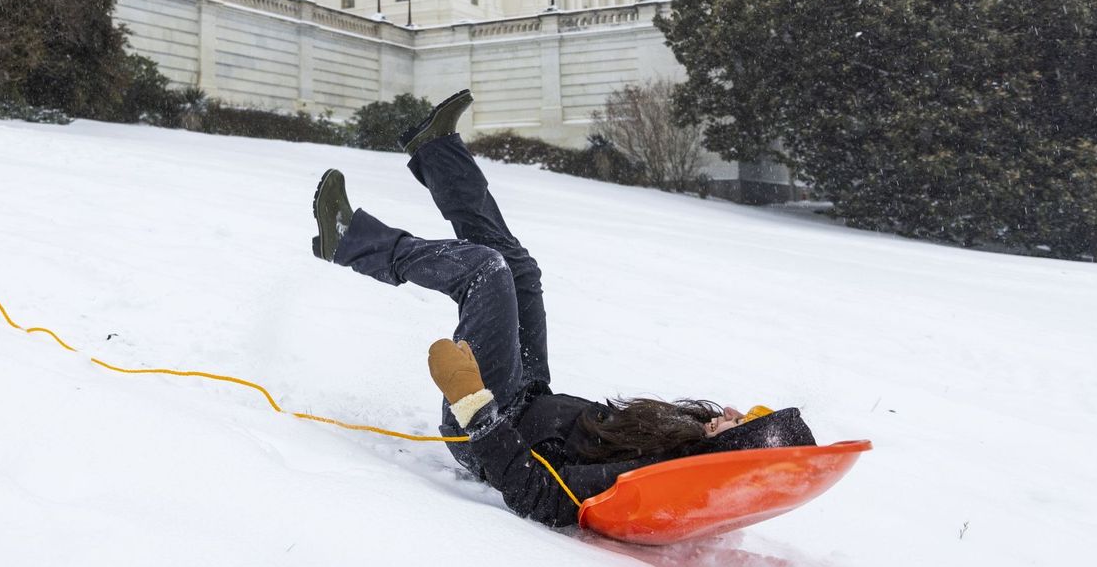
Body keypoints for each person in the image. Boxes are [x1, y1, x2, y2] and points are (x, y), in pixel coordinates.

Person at [310, 89, 816, 529]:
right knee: (520, 271)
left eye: (740, 422)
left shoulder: (659, 474)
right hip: (528, 397)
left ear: (734, 450)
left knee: (485, 270)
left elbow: (540, 495)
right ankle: (436, 151)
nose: (730, 412)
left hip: (491, 420)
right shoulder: (684, 440)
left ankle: (350, 241)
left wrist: (471, 403)